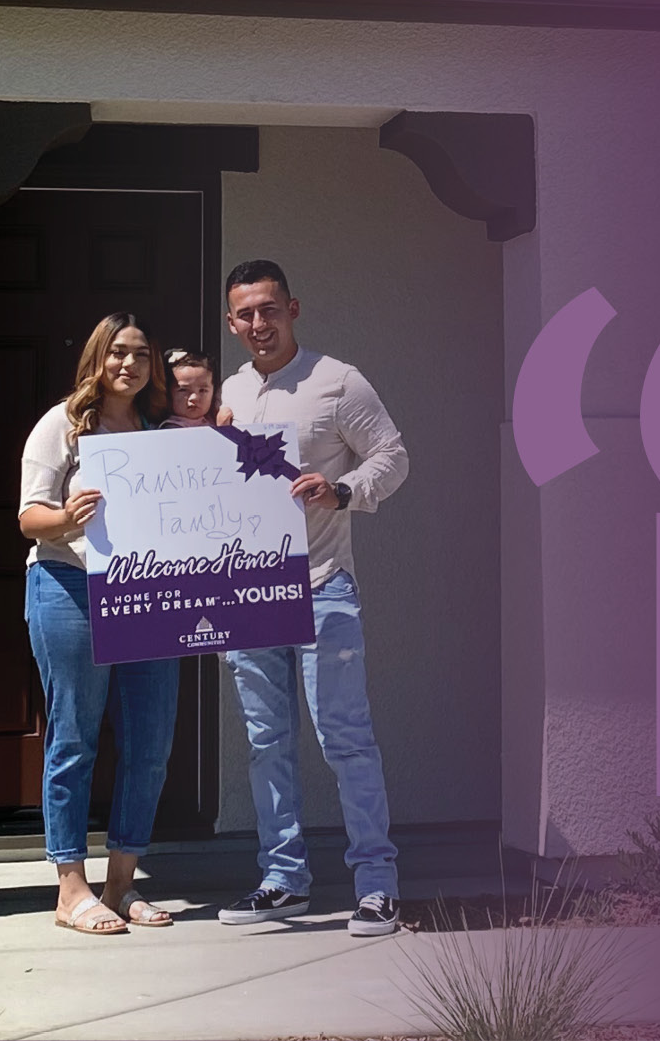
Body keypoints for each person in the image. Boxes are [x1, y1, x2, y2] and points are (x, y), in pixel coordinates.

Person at [207, 260, 415, 938]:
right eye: (245, 314)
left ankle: (378, 885)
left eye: (269, 310)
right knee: (267, 743)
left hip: (324, 584)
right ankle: (283, 877)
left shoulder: (337, 380)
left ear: (293, 308)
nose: (258, 325)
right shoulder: (227, 392)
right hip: (249, 597)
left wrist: (344, 489)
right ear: (231, 321)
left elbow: (393, 455)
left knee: (345, 739)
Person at [14, 313, 184, 935]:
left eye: (141, 354)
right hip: (68, 588)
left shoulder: (162, 431)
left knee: (151, 746)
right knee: (74, 738)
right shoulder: (62, 425)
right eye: (117, 352)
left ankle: (120, 885)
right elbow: (29, 518)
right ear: (97, 358)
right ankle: (70, 887)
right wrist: (66, 518)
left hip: (147, 596)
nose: (129, 364)